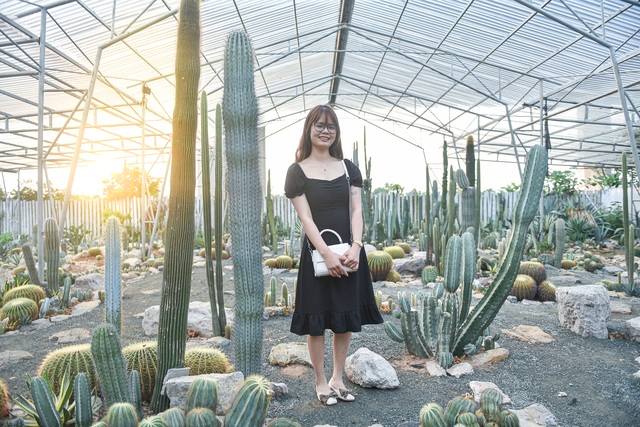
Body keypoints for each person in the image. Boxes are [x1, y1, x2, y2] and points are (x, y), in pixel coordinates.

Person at [284, 104, 383, 406]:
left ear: (337, 132)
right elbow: (307, 219)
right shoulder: (297, 172)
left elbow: (356, 210)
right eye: (319, 125)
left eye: (331, 126)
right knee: (317, 319)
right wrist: (326, 254)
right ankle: (320, 382)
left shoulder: (348, 168)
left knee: (343, 316)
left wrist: (356, 246)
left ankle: (338, 378)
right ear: (309, 129)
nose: (325, 131)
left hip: (349, 254)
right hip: (318, 254)